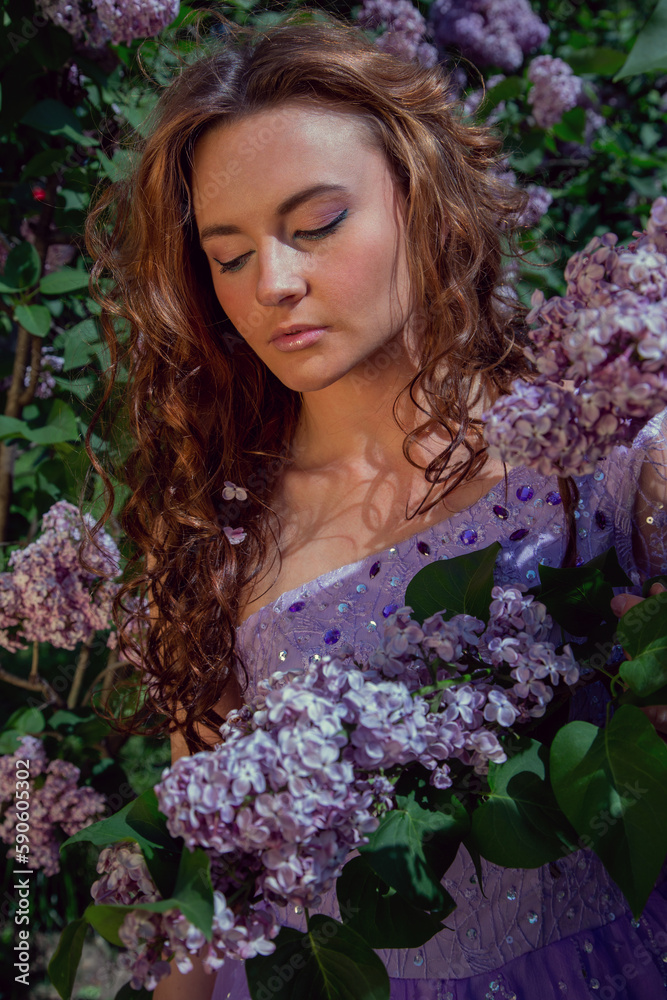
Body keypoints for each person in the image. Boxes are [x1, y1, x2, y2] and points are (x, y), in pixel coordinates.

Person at [85, 13, 667, 1000]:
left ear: (421, 200)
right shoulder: (215, 542)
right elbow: (211, 879)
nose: (274, 281)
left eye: (315, 224)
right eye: (228, 255)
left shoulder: (592, 446)